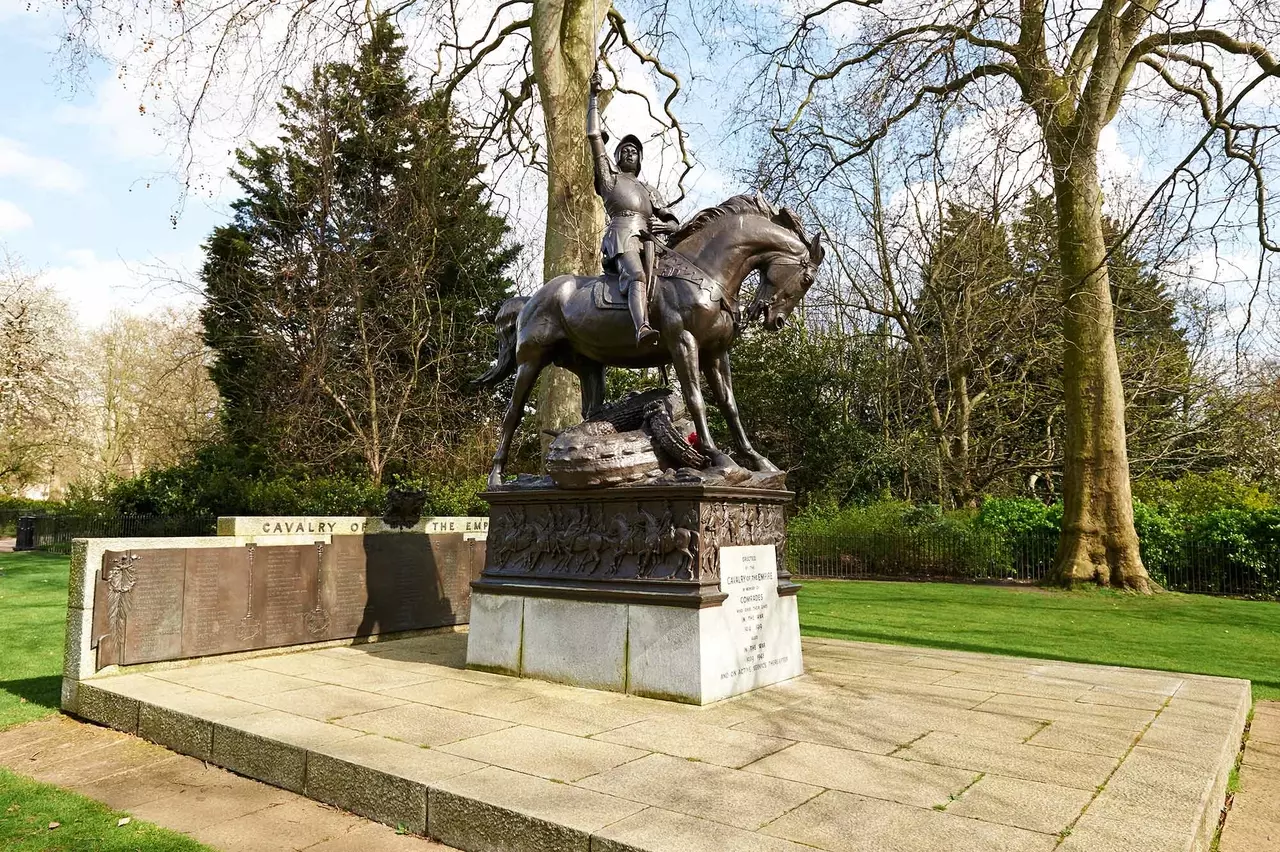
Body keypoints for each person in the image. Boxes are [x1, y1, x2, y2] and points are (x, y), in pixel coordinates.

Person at [587, 69, 679, 345]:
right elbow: (593, 135)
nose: (629, 152)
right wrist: (593, 97)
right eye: (624, 150)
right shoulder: (610, 179)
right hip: (623, 237)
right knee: (637, 275)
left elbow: (673, 221)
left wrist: (668, 225)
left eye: (634, 151)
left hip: (650, 242)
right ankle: (641, 328)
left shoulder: (650, 190)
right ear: (616, 157)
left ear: (640, 159)